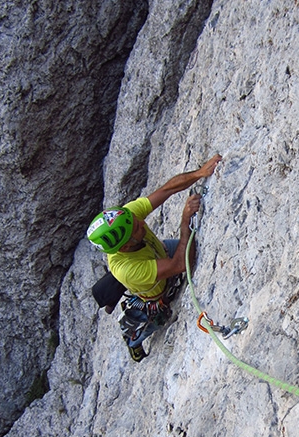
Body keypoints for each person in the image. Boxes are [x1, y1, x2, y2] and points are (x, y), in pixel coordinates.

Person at [87, 154, 222, 361]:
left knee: (189, 248)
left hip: (158, 252)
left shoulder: (127, 217)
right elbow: (179, 264)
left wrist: (200, 173)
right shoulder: (127, 268)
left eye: (136, 220)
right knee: (158, 318)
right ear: (124, 246)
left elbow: (166, 190)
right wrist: (185, 221)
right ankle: (132, 336)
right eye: (136, 228)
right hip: (155, 289)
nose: (142, 222)